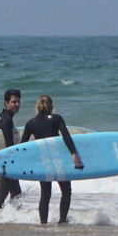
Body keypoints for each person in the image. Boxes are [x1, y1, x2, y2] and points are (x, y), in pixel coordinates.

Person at [20, 95, 83, 224]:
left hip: (43, 162)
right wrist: (74, 153)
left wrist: (25, 163)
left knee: (45, 194)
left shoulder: (31, 123)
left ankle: (43, 223)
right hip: (57, 160)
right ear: (52, 106)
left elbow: (23, 146)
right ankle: (62, 221)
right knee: (66, 191)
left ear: (37, 107)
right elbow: (65, 135)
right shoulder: (57, 119)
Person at [0, 88, 23, 213]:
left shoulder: (2, 117)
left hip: (4, 161)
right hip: (7, 162)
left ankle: (12, 218)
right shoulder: (6, 120)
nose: (17, 104)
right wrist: (13, 162)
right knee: (4, 194)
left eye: (18, 102)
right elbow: (8, 144)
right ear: (6, 103)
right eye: (14, 102)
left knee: (15, 193)